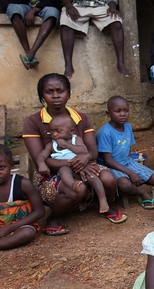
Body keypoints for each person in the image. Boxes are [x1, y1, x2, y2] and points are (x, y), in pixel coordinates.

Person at [22, 73, 123, 235]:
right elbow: (41, 159)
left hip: (84, 163)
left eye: (60, 90)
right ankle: (53, 219)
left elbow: (92, 151)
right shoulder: (33, 122)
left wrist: (84, 159)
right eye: (49, 91)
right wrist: (76, 163)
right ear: (42, 95)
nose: (55, 95)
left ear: (68, 93)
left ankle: (105, 206)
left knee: (108, 178)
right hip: (52, 170)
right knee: (77, 189)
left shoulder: (81, 118)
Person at [35, 114, 113, 215]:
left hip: (82, 166)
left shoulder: (76, 139)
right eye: (51, 131)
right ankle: (72, 184)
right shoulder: (51, 145)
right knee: (64, 170)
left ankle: (102, 199)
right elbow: (41, 156)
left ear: (71, 131)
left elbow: (83, 150)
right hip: (65, 168)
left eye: (58, 131)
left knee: (91, 175)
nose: (54, 135)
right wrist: (41, 163)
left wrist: (67, 145)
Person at [97, 96, 154, 210]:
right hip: (112, 166)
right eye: (118, 111)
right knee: (125, 185)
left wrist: (135, 167)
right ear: (108, 113)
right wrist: (131, 173)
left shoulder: (128, 127)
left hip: (127, 161)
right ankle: (141, 193)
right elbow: (108, 160)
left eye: (126, 110)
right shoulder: (105, 132)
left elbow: (128, 150)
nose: (123, 114)